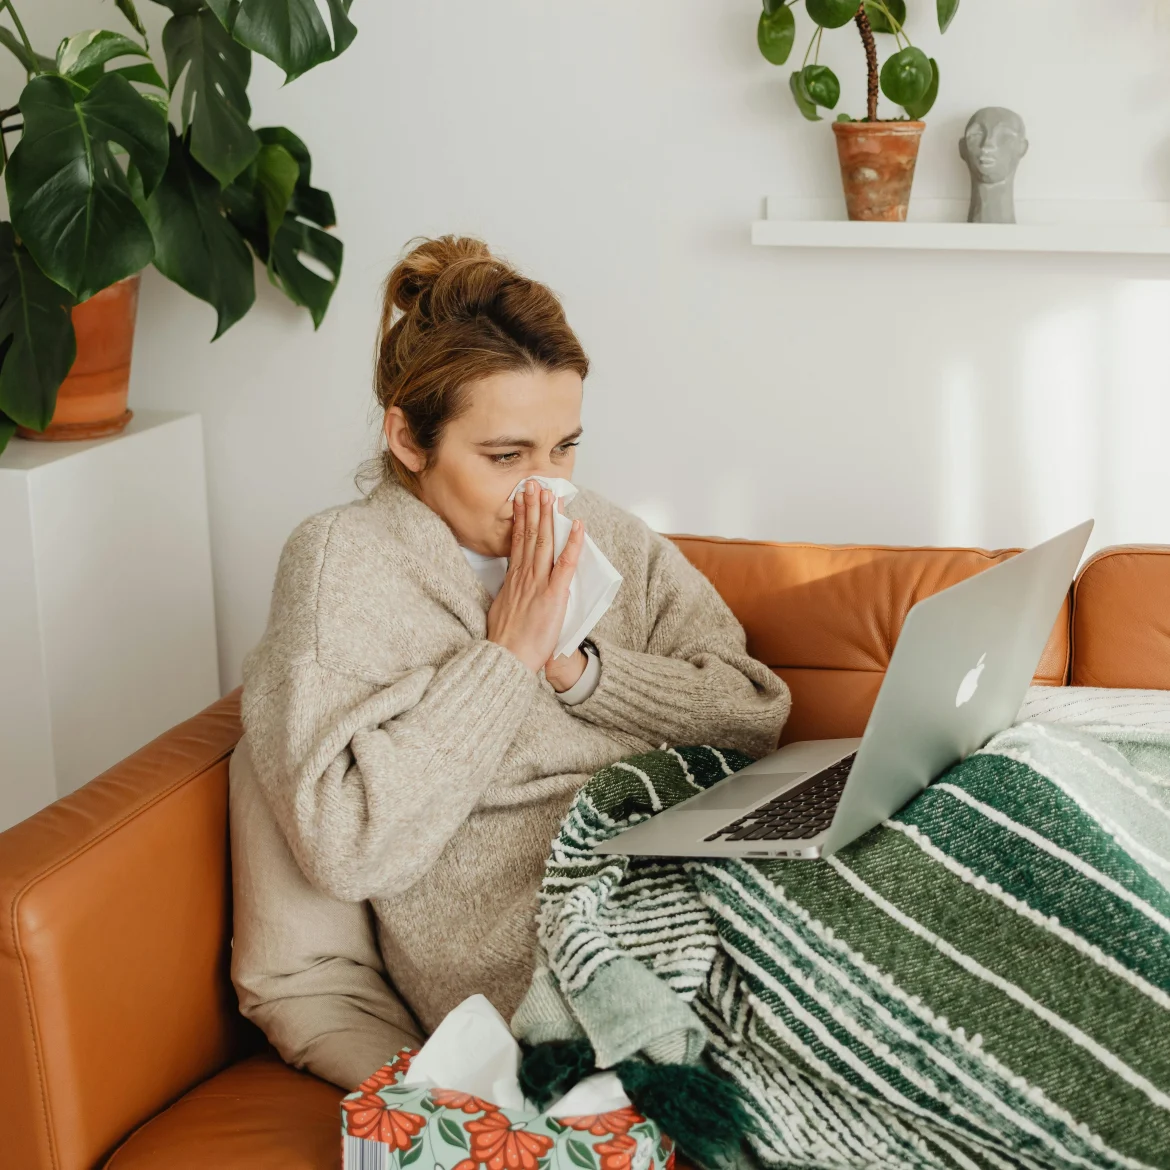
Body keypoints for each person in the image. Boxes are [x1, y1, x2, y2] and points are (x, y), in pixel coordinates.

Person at [229, 236, 791, 1091]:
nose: (546, 491)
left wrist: (583, 673)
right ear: (409, 441)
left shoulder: (605, 533)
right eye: (506, 457)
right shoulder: (341, 566)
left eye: (564, 447)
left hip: (690, 869)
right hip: (538, 949)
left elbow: (754, 711)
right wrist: (506, 656)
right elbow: (347, 848)